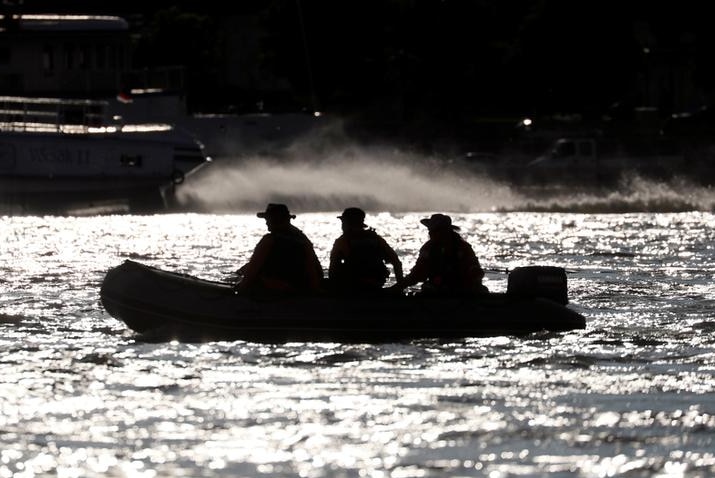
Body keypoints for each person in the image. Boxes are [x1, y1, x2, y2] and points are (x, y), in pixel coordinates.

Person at [236, 203, 323, 294]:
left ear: (274, 220)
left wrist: (239, 290)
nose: (266, 222)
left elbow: (251, 273)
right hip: (302, 289)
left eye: (268, 219)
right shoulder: (303, 240)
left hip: (277, 294)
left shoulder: (269, 241)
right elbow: (317, 271)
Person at [392, 213, 487, 295]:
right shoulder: (428, 249)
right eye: (430, 231)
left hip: (462, 289)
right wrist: (398, 287)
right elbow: (417, 273)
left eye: (434, 231)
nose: (430, 233)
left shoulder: (463, 248)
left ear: (446, 231)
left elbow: (476, 271)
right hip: (437, 289)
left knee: (481, 290)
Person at [329, 207, 403, 292]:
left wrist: (333, 290)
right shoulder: (377, 239)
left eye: (343, 222)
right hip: (377, 283)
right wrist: (399, 288)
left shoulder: (342, 241)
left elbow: (333, 267)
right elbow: (396, 262)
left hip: (352, 285)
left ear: (346, 223)